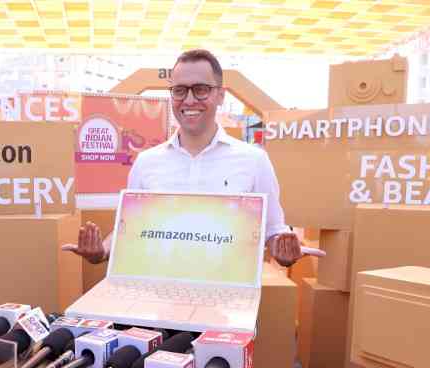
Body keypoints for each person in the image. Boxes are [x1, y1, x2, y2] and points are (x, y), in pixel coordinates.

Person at [62, 49, 306, 267]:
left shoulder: (254, 161)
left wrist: (283, 248)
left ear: (220, 95)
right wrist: (101, 252)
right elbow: (127, 229)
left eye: (201, 90)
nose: (189, 100)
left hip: (229, 297)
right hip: (158, 292)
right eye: (179, 90)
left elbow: (273, 229)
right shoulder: (146, 162)